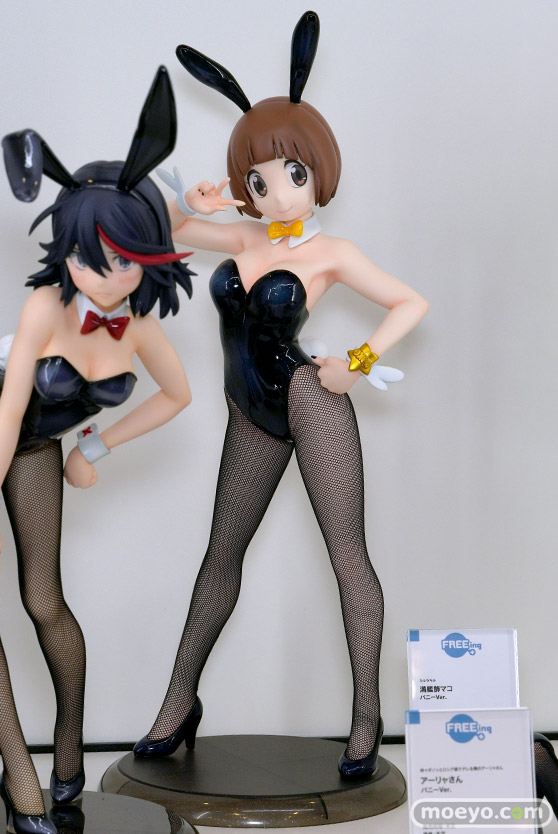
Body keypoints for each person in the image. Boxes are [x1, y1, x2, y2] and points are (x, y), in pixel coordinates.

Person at [133, 12, 428, 778]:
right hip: (250, 410)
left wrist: (357, 360)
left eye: (292, 174)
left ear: (318, 169)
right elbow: (161, 231)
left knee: (347, 558)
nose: (276, 192)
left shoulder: (332, 252)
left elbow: (411, 303)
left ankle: (366, 720)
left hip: (309, 399)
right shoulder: (244, 237)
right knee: (220, 557)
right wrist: (200, 203)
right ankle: (178, 703)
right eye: (258, 181)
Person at [0, 66, 193, 832]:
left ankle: (69, 756)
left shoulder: (138, 328)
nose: (101, 276)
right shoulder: (44, 307)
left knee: (43, 601)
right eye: (85, 258)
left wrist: (95, 449)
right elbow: (11, 402)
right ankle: (21, 784)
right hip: (2, 428)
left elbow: (176, 396)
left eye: (120, 259)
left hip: (35, 449)